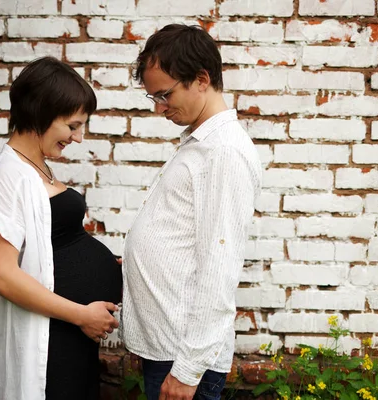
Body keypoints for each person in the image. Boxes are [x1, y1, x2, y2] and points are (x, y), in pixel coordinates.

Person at [0, 57, 122, 400]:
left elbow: (55, 244)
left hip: (64, 335)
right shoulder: (7, 175)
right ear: (42, 112)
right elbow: (0, 275)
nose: (78, 138)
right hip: (47, 339)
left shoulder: (36, 167)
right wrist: (82, 314)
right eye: (72, 125)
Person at [121, 24, 262, 400]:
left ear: (201, 79)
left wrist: (187, 370)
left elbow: (220, 266)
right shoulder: (201, 145)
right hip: (168, 347)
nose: (159, 108)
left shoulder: (224, 153)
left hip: (183, 359)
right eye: (153, 97)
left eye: (165, 95)